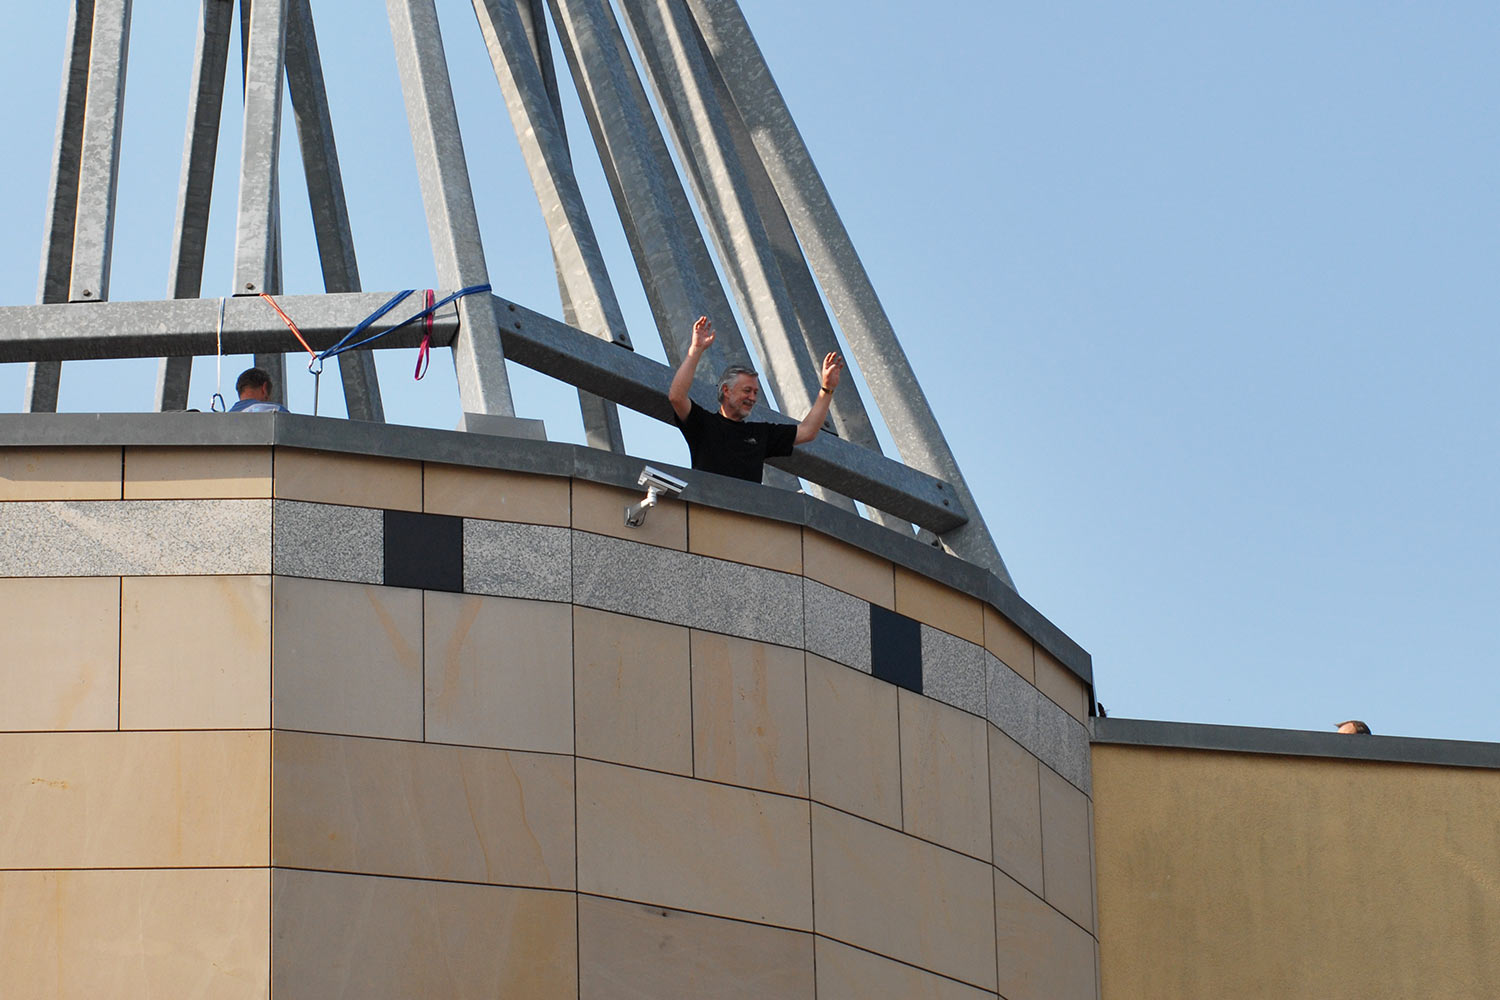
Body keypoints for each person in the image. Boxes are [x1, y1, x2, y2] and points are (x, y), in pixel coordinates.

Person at [668, 316, 843, 483]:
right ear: (726, 391)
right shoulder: (703, 423)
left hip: (748, 512)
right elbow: (676, 397)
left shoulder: (760, 434)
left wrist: (827, 388)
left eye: (755, 392)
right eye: (747, 391)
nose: (752, 398)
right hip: (707, 510)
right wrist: (696, 349)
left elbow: (808, 431)